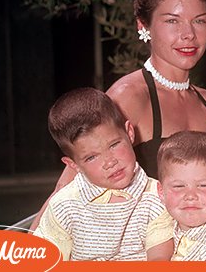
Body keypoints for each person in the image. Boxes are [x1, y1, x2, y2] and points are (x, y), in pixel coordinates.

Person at [31, 0, 206, 231]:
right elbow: (65, 192)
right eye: (172, 21)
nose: (189, 34)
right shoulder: (127, 97)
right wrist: (30, 250)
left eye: (200, 21)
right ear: (143, 26)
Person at [33, 87, 174, 261]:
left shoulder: (157, 197)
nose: (109, 162)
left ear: (130, 133)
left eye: (114, 145)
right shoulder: (64, 206)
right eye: (91, 157)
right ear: (73, 165)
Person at [156, 130, 206, 260]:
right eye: (179, 186)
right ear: (161, 192)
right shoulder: (161, 228)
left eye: (202, 186)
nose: (190, 196)